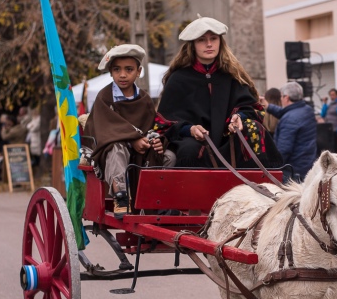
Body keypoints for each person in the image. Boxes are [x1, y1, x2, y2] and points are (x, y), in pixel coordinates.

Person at [158, 16, 280, 170]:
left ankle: (260, 184)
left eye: (213, 38)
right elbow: (164, 122)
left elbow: (252, 107)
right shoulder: (178, 79)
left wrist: (239, 118)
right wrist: (190, 129)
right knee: (189, 150)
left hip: (228, 137)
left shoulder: (232, 75)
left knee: (254, 129)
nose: (209, 44)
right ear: (193, 45)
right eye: (202, 40)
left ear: (220, 42)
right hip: (192, 140)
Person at [87, 44, 175, 218]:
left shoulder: (145, 100)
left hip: (141, 154)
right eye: (117, 69)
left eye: (129, 69)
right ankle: (120, 196)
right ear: (111, 72)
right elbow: (105, 126)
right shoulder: (104, 98)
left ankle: (157, 202)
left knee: (169, 157)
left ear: (139, 71)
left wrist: (156, 141)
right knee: (115, 150)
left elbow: (152, 127)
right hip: (112, 150)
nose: (122, 75)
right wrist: (133, 139)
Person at [266, 81, 317, 183]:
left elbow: (283, 151)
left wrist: (270, 168)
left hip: (293, 172)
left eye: (281, 97)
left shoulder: (289, 119)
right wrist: (268, 106)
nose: (280, 99)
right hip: (307, 167)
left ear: (286, 97)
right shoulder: (307, 110)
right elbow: (286, 113)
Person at [318, 88, 337, 152]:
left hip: (336, 131)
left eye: (333, 95)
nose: (332, 97)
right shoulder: (331, 104)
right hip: (330, 130)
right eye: (330, 95)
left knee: (335, 150)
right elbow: (323, 114)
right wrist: (325, 104)